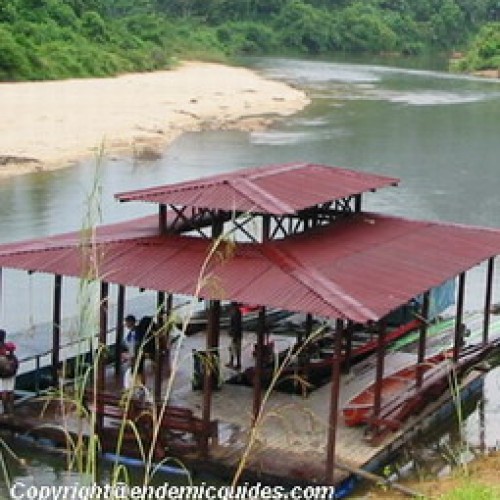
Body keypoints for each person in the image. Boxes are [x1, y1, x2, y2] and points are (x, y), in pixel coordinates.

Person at [0, 329, 18, 415]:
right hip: (10, 373)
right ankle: (11, 409)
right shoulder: (6, 347)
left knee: (3, 390)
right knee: (10, 390)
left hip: (2, 374)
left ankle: (4, 410)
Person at [226, 303, 242, 370]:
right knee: (231, 348)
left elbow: (236, 326)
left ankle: (237, 364)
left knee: (236, 349)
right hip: (235, 334)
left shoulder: (236, 313)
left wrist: (234, 337)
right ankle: (232, 362)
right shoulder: (236, 312)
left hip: (235, 335)